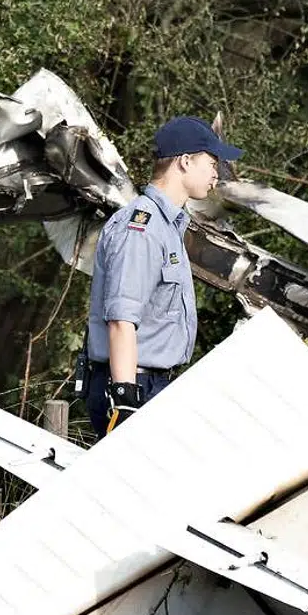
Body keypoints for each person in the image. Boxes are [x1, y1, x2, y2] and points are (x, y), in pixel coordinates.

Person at [83, 116, 243, 438]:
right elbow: (120, 320)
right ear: (185, 162)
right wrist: (125, 400)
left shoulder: (168, 226)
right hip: (133, 386)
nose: (217, 173)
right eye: (211, 162)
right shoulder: (142, 228)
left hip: (153, 383)